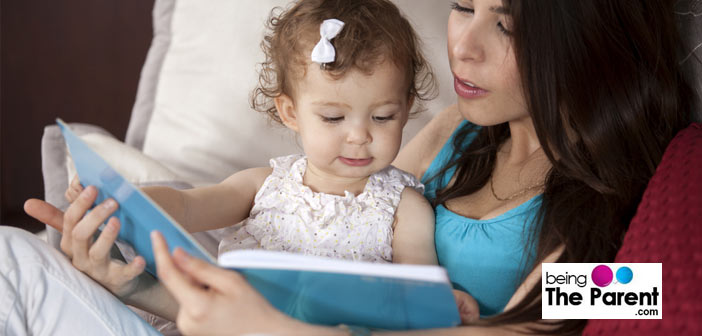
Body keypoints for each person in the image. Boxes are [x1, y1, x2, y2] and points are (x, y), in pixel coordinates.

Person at [6, 0, 693, 335]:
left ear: (589, 37)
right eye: (463, 5)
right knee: (14, 258)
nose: (464, 47)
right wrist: (137, 288)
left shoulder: (630, 191)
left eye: (506, 25)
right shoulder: (461, 131)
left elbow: (579, 320)